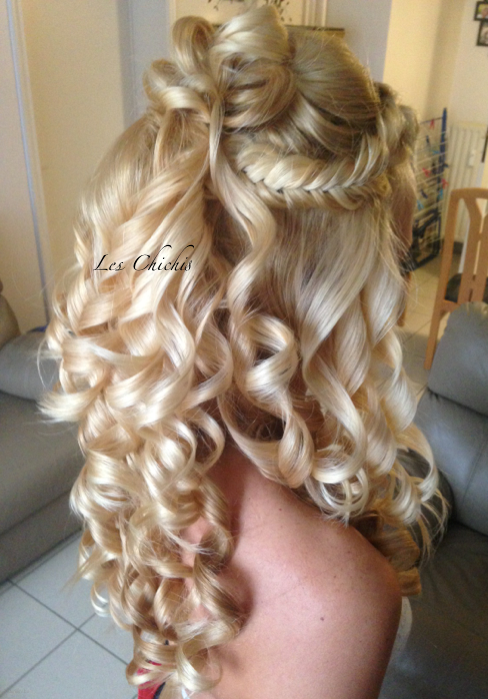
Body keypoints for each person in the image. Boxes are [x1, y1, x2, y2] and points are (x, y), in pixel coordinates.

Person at [40, 6, 447, 698]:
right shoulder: (343, 598)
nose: (401, 299)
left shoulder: (153, 449)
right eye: (390, 270)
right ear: (330, 311)